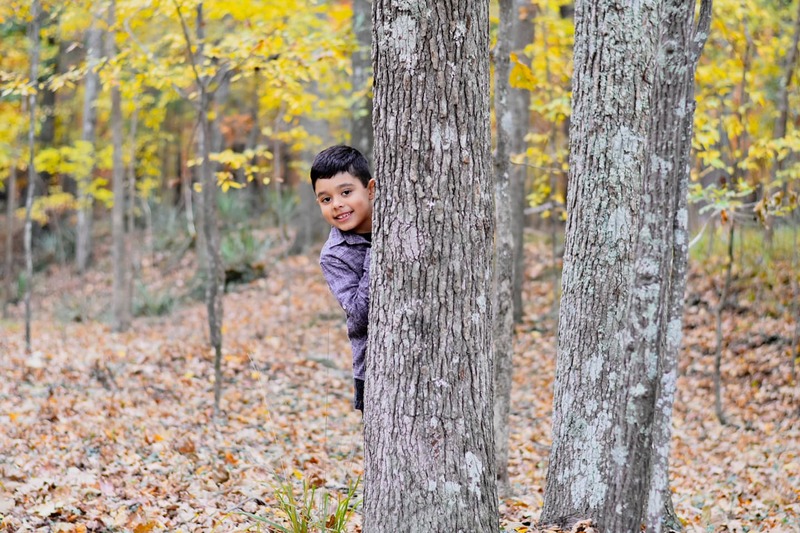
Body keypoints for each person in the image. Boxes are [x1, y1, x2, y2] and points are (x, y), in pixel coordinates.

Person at [311, 145, 375, 412]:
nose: (337, 204)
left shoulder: (401, 217)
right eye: (326, 199)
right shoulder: (334, 256)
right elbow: (360, 315)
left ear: (370, 190)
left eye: (346, 192)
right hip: (374, 367)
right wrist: (379, 253)